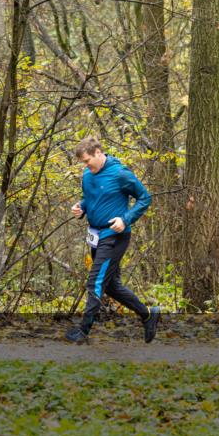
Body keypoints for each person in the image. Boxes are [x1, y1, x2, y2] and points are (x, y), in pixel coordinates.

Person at [66, 137, 160, 345]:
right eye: (82, 162)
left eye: (87, 160)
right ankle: (148, 315)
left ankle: (83, 331)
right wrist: (80, 208)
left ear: (98, 152)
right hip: (95, 236)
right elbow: (91, 199)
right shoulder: (87, 175)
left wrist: (125, 219)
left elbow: (145, 198)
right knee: (110, 285)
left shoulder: (120, 174)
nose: (85, 166)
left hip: (114, 236)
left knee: (95, 282)